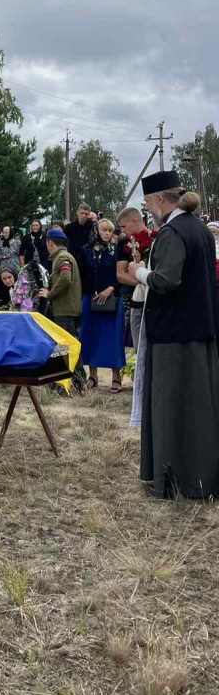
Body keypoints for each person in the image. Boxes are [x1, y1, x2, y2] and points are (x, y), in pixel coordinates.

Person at [124, 171, 219, 499]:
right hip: (200, 331)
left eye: (149, 203)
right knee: (200, 409)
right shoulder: (201, 231)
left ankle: (174, 481)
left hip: (174, 337)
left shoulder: (172, 232)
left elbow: (167, 280)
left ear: (161, 200)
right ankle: (202, 479)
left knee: (172, 407)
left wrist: (140, 273)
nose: (148, 209)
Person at [78, 218, 125, 393]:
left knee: (113, 338)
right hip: (90, 298)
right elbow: (81, 276)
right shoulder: (85, 251)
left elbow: (121, 275)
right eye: (103, 230)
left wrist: (109, 289)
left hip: (112, 298)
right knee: (90, 337)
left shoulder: (116, 251)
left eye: (109, 230)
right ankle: (93, 376)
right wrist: (92, 292)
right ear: (96, 231)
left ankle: (116, 376)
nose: (106, 233)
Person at [38, 227, 87, 393]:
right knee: (64, 346)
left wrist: (49, 294)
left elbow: (66, 279)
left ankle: (77, 382)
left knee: (67, 347)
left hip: (64, 310)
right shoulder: (62, 257)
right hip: (66, 309)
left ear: (50, 243)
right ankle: (60, 383)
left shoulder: (62, 258)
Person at [115, 207, 155, 350]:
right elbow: (120, 274)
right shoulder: (123, 243)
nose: (122, 231)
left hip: (155, 296)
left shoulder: (155, 238)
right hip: (133, 297)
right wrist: (142, 284)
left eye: (124, 226)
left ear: (135, 220)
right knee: (137, 344)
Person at [64, 204, 93, 280]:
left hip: (88, 260)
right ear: (77, 212)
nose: (83, 216)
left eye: (86, 214)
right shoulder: (69, 228)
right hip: (73, 259)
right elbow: (64, 243)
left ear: (89, 214)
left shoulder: (92, 227)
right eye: (82, 213)